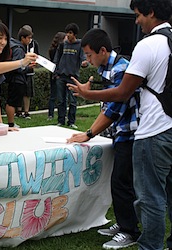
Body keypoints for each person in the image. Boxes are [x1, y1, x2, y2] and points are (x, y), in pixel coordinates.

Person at [68, 0, 172, 249]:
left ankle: (149, 244)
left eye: (138, 15)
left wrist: (87, 95)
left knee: (150, 197)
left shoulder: (149, 45)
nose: (136, 21)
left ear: (151, 12)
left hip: (153, 130)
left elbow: (122, 93)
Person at [67, 28, 140, 249]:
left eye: (89, 55)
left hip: (132, 132)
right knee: (120, 181)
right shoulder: (108, 68)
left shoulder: (120, 69)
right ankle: (125, 223)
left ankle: (130, 231)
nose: (87, 60)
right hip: (123, 132)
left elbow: (112, 111)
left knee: (122, 182)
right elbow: (108, 108)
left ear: (103, 50)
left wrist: (88, 134)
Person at [53, 22, 88, 128]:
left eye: (70, 33)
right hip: (61, 76)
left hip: (73, 77)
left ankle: (71, 122)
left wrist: (84, 63)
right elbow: (56, 59)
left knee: (72, 101)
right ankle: (61, 121)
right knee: (61, 100)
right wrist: (56, 73)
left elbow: (83, 59)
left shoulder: (80, 45)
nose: (68, 35)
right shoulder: (63, 44)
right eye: (67, 32)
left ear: (75, 34)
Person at [5, 26, 36, 127]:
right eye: (28, 38)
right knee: (12, 102)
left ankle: (12, 122)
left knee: (13, 102)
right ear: (23, 38)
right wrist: (29, 68)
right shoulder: (18, 49)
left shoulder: (17, 47)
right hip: (16, 80)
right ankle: (11, 123)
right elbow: (18, 67)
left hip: (16, 79)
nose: (30, 40)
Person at [15, 24, 40, 119]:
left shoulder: (34, 44)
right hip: (20, 71)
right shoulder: (18, 45)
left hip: (30, 71)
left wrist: (36, 62)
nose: (30, 39)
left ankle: (26, 112)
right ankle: (18, 111)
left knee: (28, 92)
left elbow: (37, 56)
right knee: (19, 91)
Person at [47, 31, 66, 121]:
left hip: (52, 72)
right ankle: (61, 114)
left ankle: (50, 114)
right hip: (58, 72)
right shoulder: (60, 50)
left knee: (53, 95)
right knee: (60, 96)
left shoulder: (52, 49)